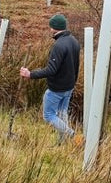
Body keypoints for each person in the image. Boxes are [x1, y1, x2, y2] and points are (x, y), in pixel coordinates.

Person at [19, 13, 81, 143]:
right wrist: (72, 83)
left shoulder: (59, 46)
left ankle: (73, 136)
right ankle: (62, 142)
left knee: (48, 116)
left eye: (51, 27)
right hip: (69, 86)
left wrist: (30, 74)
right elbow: (76, 66)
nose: (50, 29)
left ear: (54, 28)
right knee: (62, 114)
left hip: (57, 89)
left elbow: (51, 70)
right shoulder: (74, 41)